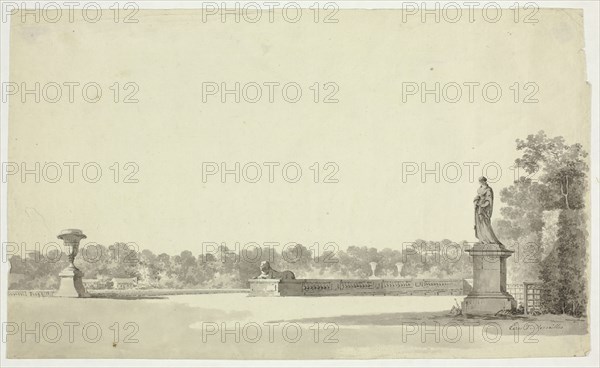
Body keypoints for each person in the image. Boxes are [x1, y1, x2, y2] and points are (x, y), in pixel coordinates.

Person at [473, 176, 504, 246]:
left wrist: (482, 205)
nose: (480, 182)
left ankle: (490, 240)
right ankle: (482, 239)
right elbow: (478, 196)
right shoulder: (479, 189)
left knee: (484, 223)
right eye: (479, 181)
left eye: (481, 181)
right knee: (479, 224)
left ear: (484, 181)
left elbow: (489, 200)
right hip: (478, 208)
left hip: (484, 209)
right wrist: (476, 201)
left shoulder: (488, 190)